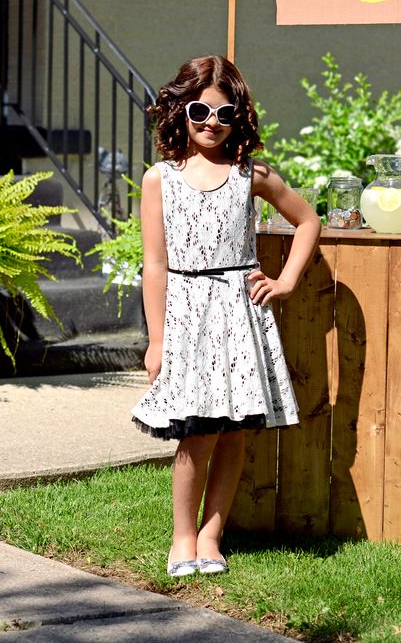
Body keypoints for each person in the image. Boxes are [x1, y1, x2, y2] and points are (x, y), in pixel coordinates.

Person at [131, 55, 321, 578]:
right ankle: (182, 537)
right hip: (188, 318)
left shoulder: (251, 175)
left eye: (223, 113)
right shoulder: (159, 180)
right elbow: (155, 265)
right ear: (179, 112)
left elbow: (307, 220)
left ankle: (212, 536)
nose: (210, 122)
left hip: (240, 314)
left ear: (239, 117)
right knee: (197, 431)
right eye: (199, 110)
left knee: (234, 429)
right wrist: (157, 341)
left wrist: (285, 283)